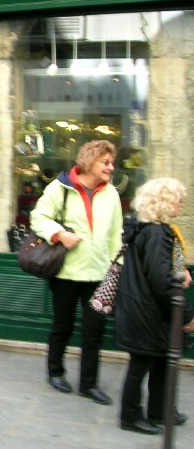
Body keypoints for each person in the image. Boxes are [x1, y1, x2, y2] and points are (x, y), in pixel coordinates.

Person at [30, 140, 123, 405]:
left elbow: (117, 233)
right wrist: (59, 234)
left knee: (94, 330)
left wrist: (118, 268)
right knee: (63, 325)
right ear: (89, 161)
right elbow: (38, 217)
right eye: (105, 162)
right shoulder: (61, 187)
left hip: (99, 274)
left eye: (111, 163)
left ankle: (89, 384)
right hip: (66, 273)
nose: (110, 167)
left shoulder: (112, 194)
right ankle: (55, 372)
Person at [114, 177, 193, 435]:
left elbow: (173, 267)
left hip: (144, 308)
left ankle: (160, 411)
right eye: (177, 198)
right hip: (148, 310)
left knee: (159, 362)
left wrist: (182, 273)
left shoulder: (147, 228)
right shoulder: (157, 233)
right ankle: (130, 416)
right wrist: (186, 316)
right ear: (164, 202)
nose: (181, 203)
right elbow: (162, 281)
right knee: (141, 365)